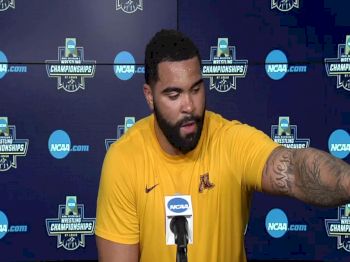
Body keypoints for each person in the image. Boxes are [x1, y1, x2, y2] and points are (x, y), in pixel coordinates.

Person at [95, 29, 350, 262]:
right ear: (149, 96)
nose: (189, 106)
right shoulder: (125, 159)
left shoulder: (230, 140)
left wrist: (346, 181)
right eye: (174, 95)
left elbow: (292, 170)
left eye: (196, 89)